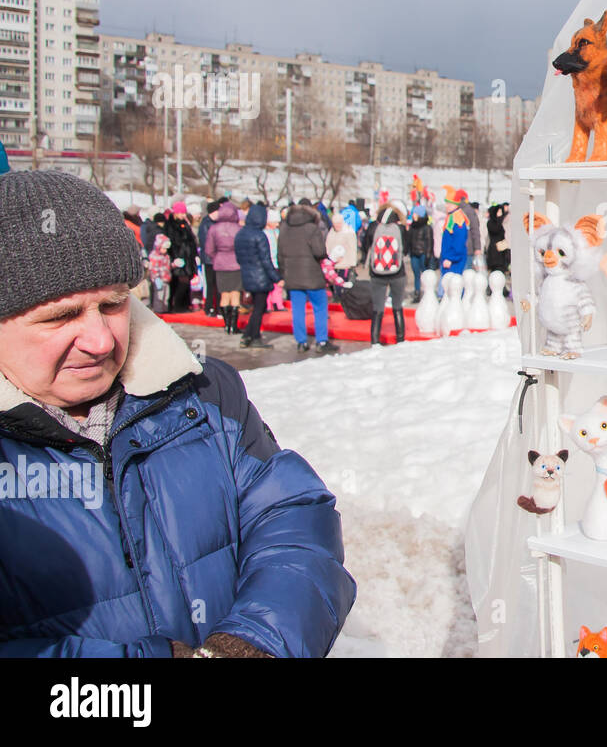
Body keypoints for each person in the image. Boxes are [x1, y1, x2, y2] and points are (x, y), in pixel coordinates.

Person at [0, 170, 355, 656]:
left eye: (112, 304)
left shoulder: (204, 392)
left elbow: (290, 517)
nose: (101, 340)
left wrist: (255, 640)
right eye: (60, 316)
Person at [277, 199, 338, 353]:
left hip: (292, 275)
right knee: (319, 307)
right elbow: (319, 251)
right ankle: (321, 341)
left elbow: (280, 255)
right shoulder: (312, 228)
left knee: (297, 309)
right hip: (312, 275)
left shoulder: (284, 228)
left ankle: (301, 342)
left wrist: (284, 273)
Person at [361, 202, 409, 345]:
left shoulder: (373, 227)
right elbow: (405, 250)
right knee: (397, 306)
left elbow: (365, 246)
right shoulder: (400, 229)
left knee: (377, 308)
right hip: (398, 273)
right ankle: (400, 339)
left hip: (377, 274)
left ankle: (375, 341)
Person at [234, 202, 279, 348]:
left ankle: (252, 335)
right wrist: (276, 278)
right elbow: (266, 260)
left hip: (247, 275)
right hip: (261, 277)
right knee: (259, 309)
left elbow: (239, 258)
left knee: (257, 307)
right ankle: (250, 336)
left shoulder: (240, 234)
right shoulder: (260, 236)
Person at [204, 199, 244, 334]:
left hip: (220, 264)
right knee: (235, 294)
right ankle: (234, 326)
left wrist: (217, 258)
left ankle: (226, 325)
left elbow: (209, 249)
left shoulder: (214, 229)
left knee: (224, 294)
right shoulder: (239, 229)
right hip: (236, 264)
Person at [162, 201, 199, 313]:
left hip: (187, 258)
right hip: (178, 258)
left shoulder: (185, 223)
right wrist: (174, 257)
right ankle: (176, 305)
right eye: (181, 213)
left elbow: (191, 240)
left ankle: (184, 304)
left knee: (185, 282)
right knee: (179, 282)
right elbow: (171, 242)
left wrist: (195, 255)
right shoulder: (170, 225)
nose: (183, 215)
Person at [197, 200, 221, 317]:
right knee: (211, 284)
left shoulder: (217, 222)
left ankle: (218, 307)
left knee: (218, 284)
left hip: (218, 258)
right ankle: (209, 307)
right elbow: (206, 241)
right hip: (209, 259)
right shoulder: (205, 223)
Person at [326, 212, 359, 297]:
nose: (337, 226)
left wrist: (352, 264)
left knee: (342, 286)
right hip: (333, 264)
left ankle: (342, 301)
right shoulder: (331, 232)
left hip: (345, 265)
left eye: (339, 224)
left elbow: (352, 249)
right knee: (333, 286)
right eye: (335, 224)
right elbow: (328, 246)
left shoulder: (348, 232)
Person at [408, 205, 435, 301]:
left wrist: (428, 255)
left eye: (415, 213)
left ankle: (427, 293)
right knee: (416, 275)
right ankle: (417, 293)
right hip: (414, 254)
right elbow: (409, 240)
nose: (413, 215)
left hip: (423, 254)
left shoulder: (427, 228)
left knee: (425, 275)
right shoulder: (412, 226)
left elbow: (429, 242)